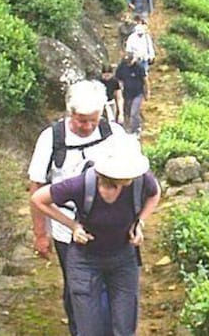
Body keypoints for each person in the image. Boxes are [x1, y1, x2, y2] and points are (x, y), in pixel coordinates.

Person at [30, 136, 161, 336]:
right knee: (89, 327)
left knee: (125, 325)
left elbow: (155, 193)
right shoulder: (82, 185)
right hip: (85, 260)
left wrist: (140, 222)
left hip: (123, 257)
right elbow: (39, 199)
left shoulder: (141, 181)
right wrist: (73, 226)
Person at [27, 80, 127, 335]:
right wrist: (41, 234)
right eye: (82, 121)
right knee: (79, 288)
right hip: (66, 229)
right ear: (70, 113)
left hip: (110, 226)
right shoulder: (52, 138)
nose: (88, 126)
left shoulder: (112, 133)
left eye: (93, 120)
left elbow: (133, 175)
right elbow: (36, 186)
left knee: (109, 284)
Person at [115, 51, 149, 136]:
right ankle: (129, 127)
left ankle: (136, 129)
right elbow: (118, 78)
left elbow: (145, 80)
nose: (128, 64)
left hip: (138, 93)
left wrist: (147, 92)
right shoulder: (122, 66)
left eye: (130, 62)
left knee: (134, 112)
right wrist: (120, 87)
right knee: (128, 111)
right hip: (126, 93)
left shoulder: (139, 67)